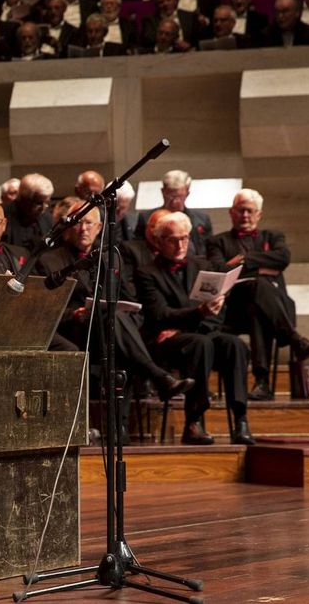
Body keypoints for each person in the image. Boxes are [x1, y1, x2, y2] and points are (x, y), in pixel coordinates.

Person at [36, 198, 195, 442]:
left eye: (89, 223)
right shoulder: (50, 261)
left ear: (100, 228)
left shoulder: (111, 258)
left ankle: (118, 427)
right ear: (67, 228)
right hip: (75, 332)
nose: (83, 228)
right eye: (77, 223)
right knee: (117, 330)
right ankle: (154, 380)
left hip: (111, 332)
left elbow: (130, 299)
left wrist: (131, 315)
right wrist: (75, 314)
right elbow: (46, 310)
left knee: (117, 330)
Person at [135, 212, 254, 445]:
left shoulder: (203, 265)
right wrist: (198, 312)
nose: (180, 245)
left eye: (184, 238)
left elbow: (217, 317)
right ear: (159, 242)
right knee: (201, 343)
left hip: (194, 335)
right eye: (173, 239)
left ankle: (241, 419)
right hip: (164, 343)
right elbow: (159, 314)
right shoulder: (146, 273)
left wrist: (191, 322)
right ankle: (193, 421)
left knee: (234, 344)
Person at [206, 189, 309, 400]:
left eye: (250, 211)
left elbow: (282, 258)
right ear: (231, 213)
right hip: (234, 309)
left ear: (259, 214)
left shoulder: (273, 236)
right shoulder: (217, 242)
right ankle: (294, 341)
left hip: (267, 309)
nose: (245, 216)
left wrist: (242, 261)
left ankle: (263, 383)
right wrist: (261, 266)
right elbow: (219, 270)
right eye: (241, 211)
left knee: (258, 306)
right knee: (258, 291)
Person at [133, 169, 212, 255]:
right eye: (170, 196)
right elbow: (137, 252)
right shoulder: (147, 219)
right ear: (162, 192)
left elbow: (208, 251)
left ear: (187, 194)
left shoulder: (202, 219)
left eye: (179, 196)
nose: (174, 202)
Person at [2, 173, 53, 251]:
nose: (44, 207)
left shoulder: (47, 218)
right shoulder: (2, 215)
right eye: (39, 203)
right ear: (24, 199)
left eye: (47, 202)